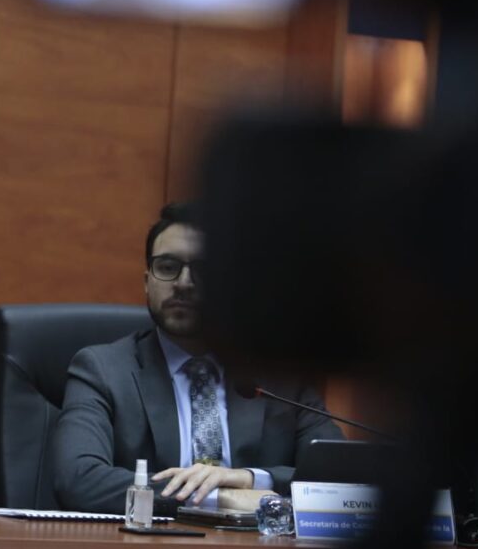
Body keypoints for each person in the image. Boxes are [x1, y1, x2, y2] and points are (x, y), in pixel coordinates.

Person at [52, 202, 343, 514]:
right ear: (147, 282)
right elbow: (77, 480)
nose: (183, 283)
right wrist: (217, 498)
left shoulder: (279, 377)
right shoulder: (103, 370)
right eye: (167, 267)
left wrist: (252, 480)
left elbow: (343, 479)